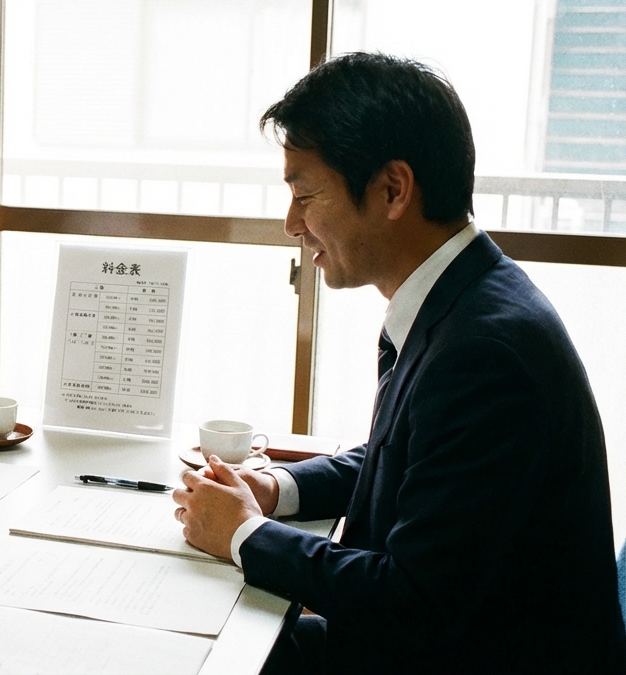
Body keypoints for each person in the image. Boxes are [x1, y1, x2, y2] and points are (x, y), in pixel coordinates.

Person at [171, 53, 626, 674]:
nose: (291, 223)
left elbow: (413, 602)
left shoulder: (485, 353)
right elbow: (407, 458)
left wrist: (244, 535)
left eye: (305, 194)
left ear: (392, 190)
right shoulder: (465, 298)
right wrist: (277, 489)